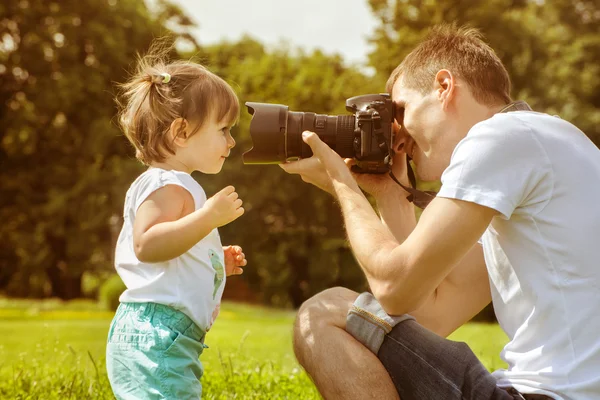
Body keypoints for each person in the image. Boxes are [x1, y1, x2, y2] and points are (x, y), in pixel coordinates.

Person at [281, 24, 600, 400]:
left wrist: (343, 185)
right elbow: (430, 314)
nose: (398, 136)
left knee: (323, 312)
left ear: (444, 87)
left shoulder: (500, 136)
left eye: (400, 110)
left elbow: (394, 289)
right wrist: (388, 193)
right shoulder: (546, 148)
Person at [105, 43, 247, 399]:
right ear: (181, 132)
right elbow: (148, 244)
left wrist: (212, 262)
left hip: (163, 334)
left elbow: (171, 250)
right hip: (157, 334)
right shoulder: (167, 183)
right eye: (224, 129)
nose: (231, 141)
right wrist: (209, 218)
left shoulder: (176, 184)